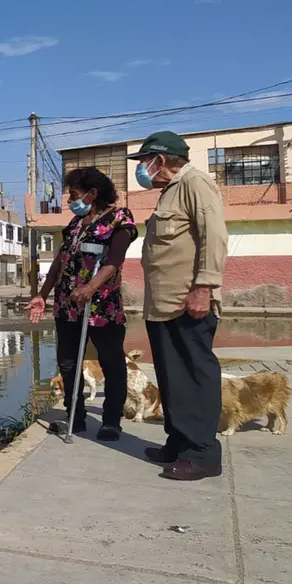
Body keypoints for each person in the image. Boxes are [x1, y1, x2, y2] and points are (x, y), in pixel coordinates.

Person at [128, 131, 228, 481]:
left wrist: (204, 286)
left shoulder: (196, 183)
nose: (142, 169)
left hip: (189, 301)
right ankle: (179, 443)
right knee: (173, 377)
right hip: (163, 304)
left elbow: (213, 236)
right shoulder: (170, 190)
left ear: (162, 159)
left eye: (145, 162)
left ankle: (202, 455)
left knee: (194, 376)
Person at [25, 167, 138, 441]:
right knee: (67, 362)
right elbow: (59, 263)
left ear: (92, 194)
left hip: (101, 307)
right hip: (68, 305)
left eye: (73, 194)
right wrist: (42, 294)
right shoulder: (75, 224)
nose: (68, 200)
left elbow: (115, 260)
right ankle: (75, 417)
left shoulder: (119, 219)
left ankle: (111, 421)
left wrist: (91, 287)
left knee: (111, 362)